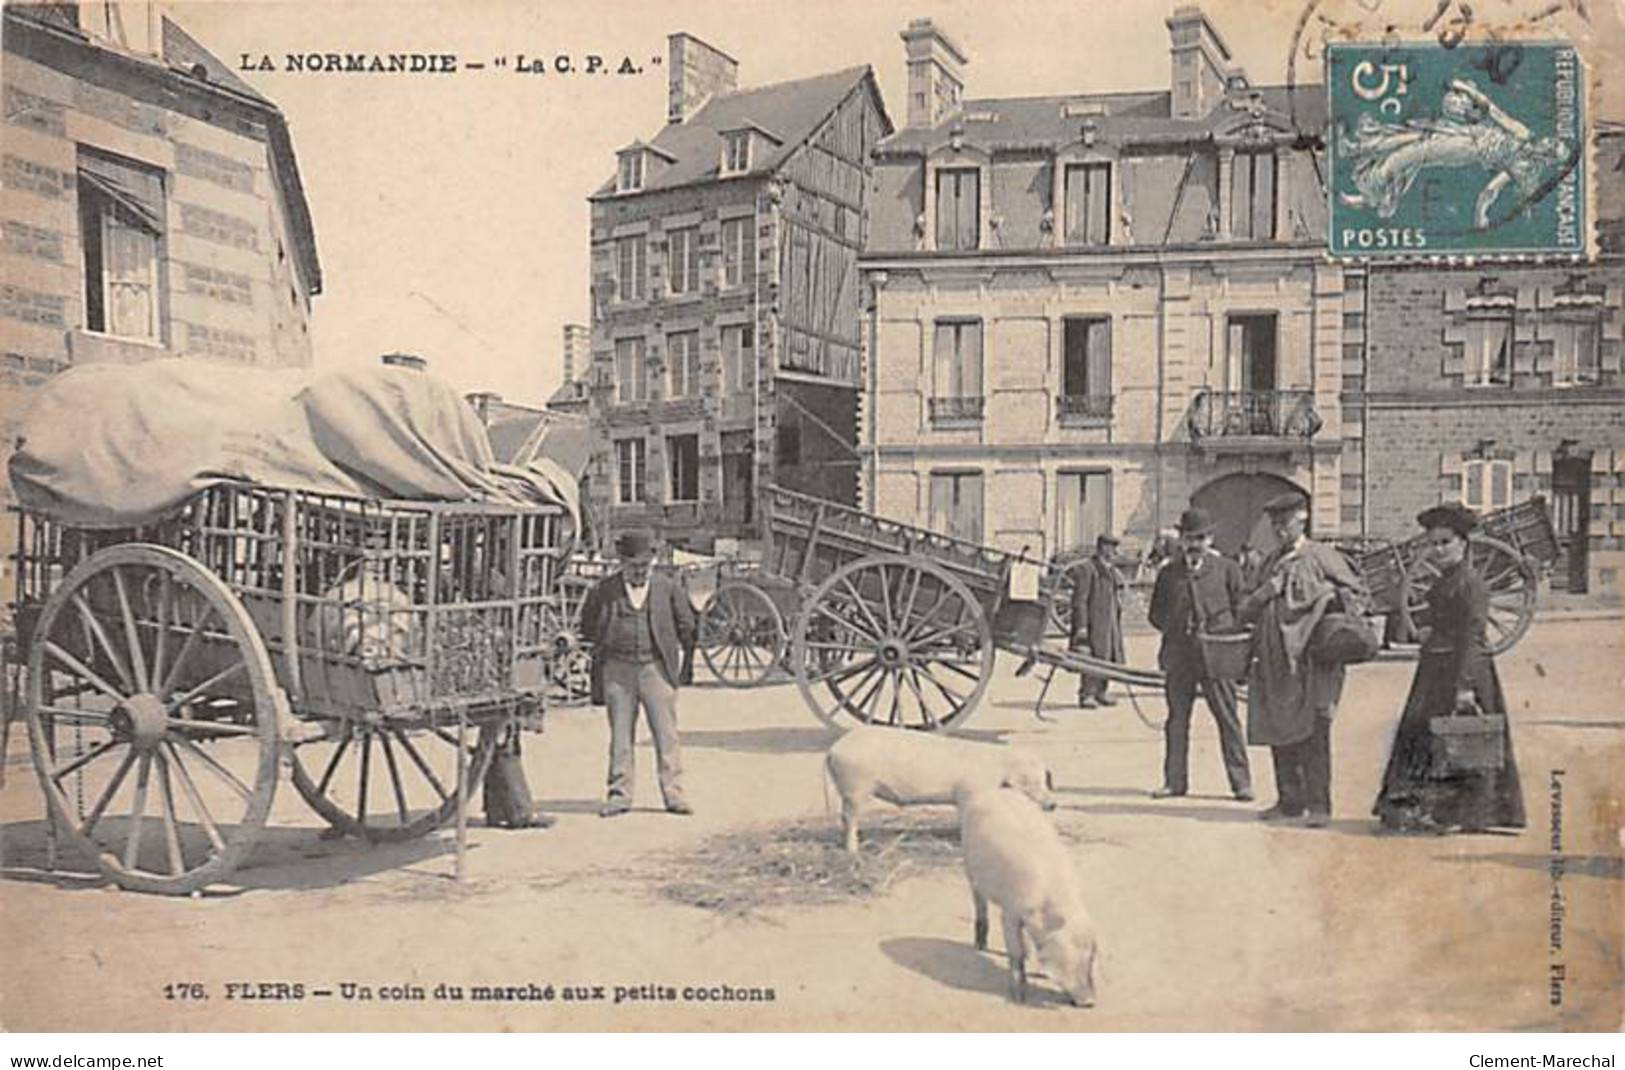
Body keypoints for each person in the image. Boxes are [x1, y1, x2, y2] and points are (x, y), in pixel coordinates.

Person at [1372, 503, 1526, 834]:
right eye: (1434, 543)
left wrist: (1465, 686)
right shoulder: (1445, 580)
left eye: (1445, 542)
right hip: (1436, 668)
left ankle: (1468, 813)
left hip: (1463, 668)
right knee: (1425, 735)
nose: (1438, 550)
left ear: (1463, 543)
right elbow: (1440, 619)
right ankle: (1429, 809)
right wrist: (1428, 630)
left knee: (1464, 736)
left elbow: (1472, 637)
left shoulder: (1471, 584)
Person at [1239, 493, 1366, 828]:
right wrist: (1268, 591)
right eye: (1275, 524)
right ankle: (1289, 803)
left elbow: (1357, 594)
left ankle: (1320, 806)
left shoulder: (1322, 556)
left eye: (1286, 522)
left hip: (1312, 662)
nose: (1280, 530)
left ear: (1303, 519)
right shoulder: (1268, 562)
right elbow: (1248, 605)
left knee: (1315, 731)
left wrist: (1327, 598)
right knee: (1278, 730)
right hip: (1274, 662)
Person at [580, 528, 698, 817]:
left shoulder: (667, 588)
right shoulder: (603, 591)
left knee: (666, 734)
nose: (639, 572)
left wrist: (683, 665)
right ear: (621, 563)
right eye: (633, 567)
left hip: (655, 669)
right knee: (621, 736)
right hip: (618, 672)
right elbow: (588, 626)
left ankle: (674, 794)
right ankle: (619, 795)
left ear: (652, 563)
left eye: (644, 567)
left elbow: (688, 626)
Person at [1147, 508, 1252, 801]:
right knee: (1176, 721)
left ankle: (1241, 783)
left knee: (1228, 719)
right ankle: (1174, 782)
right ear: (1181, 539)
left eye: (1201, 538)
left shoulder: (1228, 569)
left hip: (1217, 657)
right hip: (1179, 657)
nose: (1195, 544)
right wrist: (1178, 628)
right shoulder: (1169, 573)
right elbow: (1155, 614)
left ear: (1211, 539)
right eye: (1190, 538)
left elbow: (1241, 608)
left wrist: (1225, 636)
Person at [1069, 533, 1126, 709]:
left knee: (1108, 655)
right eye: (1112, 547)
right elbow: (1080, 600)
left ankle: (1101, 691)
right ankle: (1087, 694)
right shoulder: (1088, 569)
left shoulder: (1111, 570)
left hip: (1109, 622)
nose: (1115, 551)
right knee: (1091, 656)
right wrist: (1082, 626)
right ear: (1103, 548)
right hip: (1094, 623)